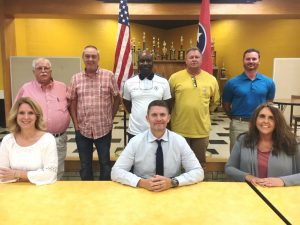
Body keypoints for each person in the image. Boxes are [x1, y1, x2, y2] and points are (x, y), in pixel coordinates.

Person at [111, 100, 204, 192]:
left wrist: (173, 182)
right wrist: (141, 182)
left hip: (171, 189)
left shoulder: (179, 141)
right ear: (147, 118)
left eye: (162, 115)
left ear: (168, 118)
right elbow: (116, 171)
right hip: (142, 190)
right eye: (154, 115)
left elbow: (198, 172)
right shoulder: (135, 141)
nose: (159, 119)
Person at [67, 45, 120, 181]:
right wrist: (76, 125)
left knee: (105, 164)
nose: (90, 59)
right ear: (83, 58)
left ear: (98, 58)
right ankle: (87, 191)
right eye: (87, 56)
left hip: (103, 129)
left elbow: (117, 97)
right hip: (82, 130)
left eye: (93, 56)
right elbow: (72, 102)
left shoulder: (109, 76)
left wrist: (110, 118)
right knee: (85, 165)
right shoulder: (75, 78)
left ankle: (104, 190)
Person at [15, 58, 70, 180]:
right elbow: (15, 114)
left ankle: (55, 196)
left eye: (46, 68)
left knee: (57, 171)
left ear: (51, 70)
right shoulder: (26, 89)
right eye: (40, 68)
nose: (43, 71)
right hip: (35, 140)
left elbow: (70, 107)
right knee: (36, 171)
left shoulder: (62, 87)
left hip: (58, 139)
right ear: (34, 71)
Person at [225, 103, 300, 187]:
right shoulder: (243, 140)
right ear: (255, 119)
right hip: (250, 195)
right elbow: (229, 168)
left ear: (278, 122)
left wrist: (282, 181)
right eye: (262, 116)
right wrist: (248, 177)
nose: (266, 121)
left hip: (282, 197)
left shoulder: (292, 143)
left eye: (271, 118)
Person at [168, 47, 220, 168]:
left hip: (201, 129)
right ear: (186, 60)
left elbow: (215, 102)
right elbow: (169, 100)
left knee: (199, 164)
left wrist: (203, 112)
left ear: (201, 60)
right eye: (191, 57)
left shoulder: (211, 79)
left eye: (197, 57)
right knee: (178, 163)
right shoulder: (174, 78)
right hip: (179, 128)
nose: (194, 59)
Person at [222, 48, 275, 152]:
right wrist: (235, 118)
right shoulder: (232, 83)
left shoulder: (269, 82)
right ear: (243, 61)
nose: (251, 61)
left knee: (259, 153)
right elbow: (225, 104)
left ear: (259, 61)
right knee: (236, 154)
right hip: (239, 124)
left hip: (261, 124)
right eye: (248, 59)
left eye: (254, 59)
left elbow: (269, 103)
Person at [0, 97, 58, 185]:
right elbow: (2, 175)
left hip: (43, 193)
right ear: (16, 116)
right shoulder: (8, 140)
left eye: (31, 113)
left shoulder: (48, 139)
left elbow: (50, 175)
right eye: (21, 113)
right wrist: (35, 177)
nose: (26, 117)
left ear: (37, 116)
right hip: (12, 193)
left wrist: (16, 174)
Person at [123, 50, 171, 142]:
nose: (145, 63)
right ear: (138, 63)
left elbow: (168, 106)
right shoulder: (129, 83)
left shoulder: (163, 82)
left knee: (157, 156)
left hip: (157, 131)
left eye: (148, 61)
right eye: (142, 61)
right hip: (135, 131)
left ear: (153, 63)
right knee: (136, 156)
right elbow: (127, 105)